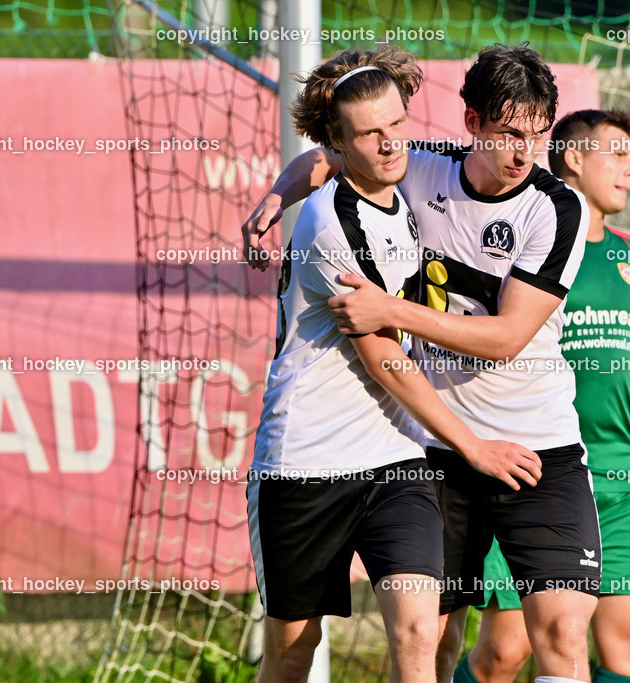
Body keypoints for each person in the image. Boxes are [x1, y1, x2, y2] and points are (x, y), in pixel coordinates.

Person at [246, 45, 602, 683]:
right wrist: (278, 195)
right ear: (470, 121)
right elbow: (331, 157)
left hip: (535, 445)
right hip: (436, 447)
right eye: (507, 134)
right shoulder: (417, 167)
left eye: (537, 134)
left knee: (563, 634)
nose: (523, 151)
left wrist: (393, 311)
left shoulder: (556, 208)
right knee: (428, 639)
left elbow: (506, 338)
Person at [454, 109, 630, 683]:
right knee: (506, 653)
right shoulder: (538, 235)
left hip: (624, 477)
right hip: (542, 471)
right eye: (619, 154)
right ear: (574, 158)